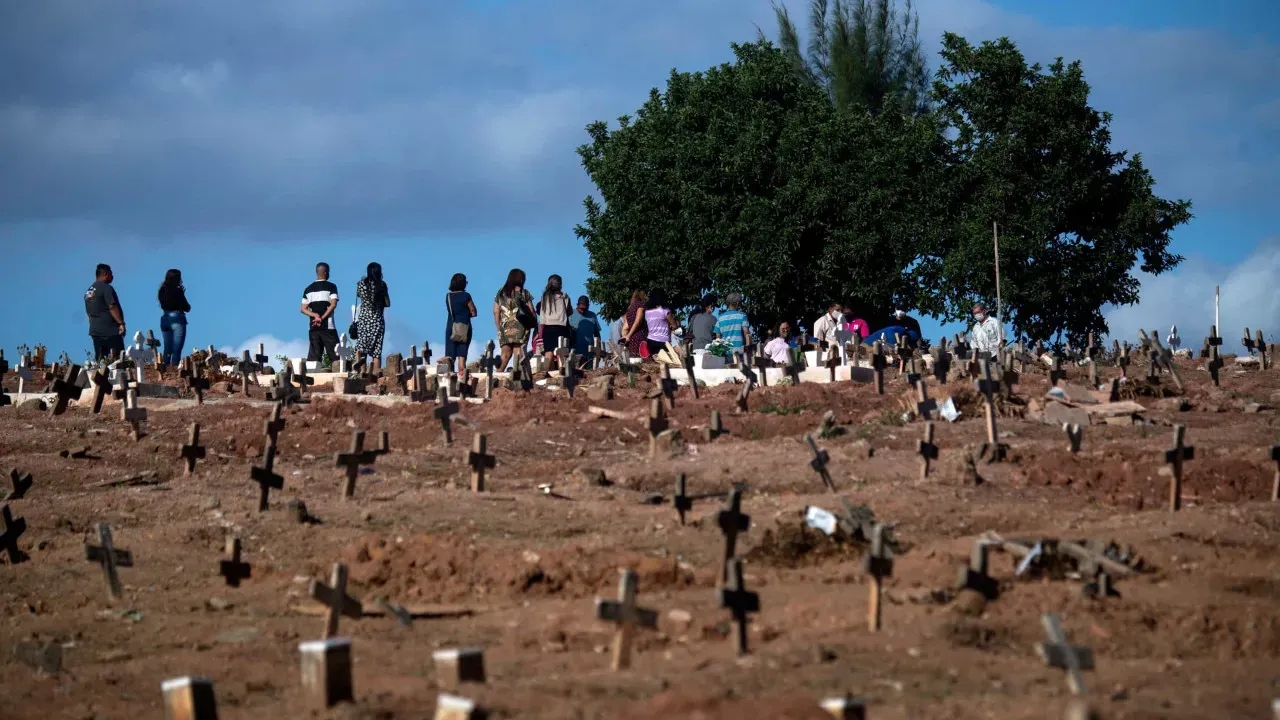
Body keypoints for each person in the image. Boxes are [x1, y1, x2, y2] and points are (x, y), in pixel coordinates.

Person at [493, 268, 536, 371]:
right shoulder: (524, 293)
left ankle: (498, 374)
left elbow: (495, 311)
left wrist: (498, 327)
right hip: (521, 325)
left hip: (505, 327)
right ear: (521, 279)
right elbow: (531, 311)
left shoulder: (500, 292)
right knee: (518, 352)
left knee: (505, 353)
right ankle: (518, 374)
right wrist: (534, 322)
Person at [85, 263, 126, 361]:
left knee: (101, 361)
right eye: (111, 273)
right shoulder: (106, 288)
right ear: (105, 274)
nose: (113, 276)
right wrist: (121, 323)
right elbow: (112, 306)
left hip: (95, 331)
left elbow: (89, 313)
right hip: (110, 331)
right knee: (118, 361)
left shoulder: (89, 292)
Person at [302, 262, 340, 365]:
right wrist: (321, 318)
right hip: (328, 327)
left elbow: (303, 309)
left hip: (314, 327)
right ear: (326, 272)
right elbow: (333, 305)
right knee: (336, 356)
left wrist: (314, 315)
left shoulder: (308, 289)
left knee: (313, 360)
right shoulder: (331, 287)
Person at [354, 262, 390, 361]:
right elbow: (387, 303)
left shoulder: (361, 284)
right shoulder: (382, 285)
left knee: (361, 348)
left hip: (364, 320)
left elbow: (358, 295)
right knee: (376, 352)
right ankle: (376, 370)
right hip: (377, 320)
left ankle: (359, 368)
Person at [156, 268, 190, 366]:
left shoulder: (162, 290)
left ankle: (165, 367)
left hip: (165, 318)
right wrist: (182, 294)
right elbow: (187, 307)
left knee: (167, 348)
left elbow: (164, 305)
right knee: (176, 349)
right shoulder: (177, 291)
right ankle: (174, 368)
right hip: (177, 318)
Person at [445, 273, 477, 373]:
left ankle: (449, 376)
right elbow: (474, 312)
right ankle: (462, 375)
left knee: (450, 356)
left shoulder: (448, 296)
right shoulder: (466, 296)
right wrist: (466, 314)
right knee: (461, 356)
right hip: (464, 328)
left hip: (451, 327)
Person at [538, 274, 573, 366]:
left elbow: (542, 313)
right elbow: (569, 311)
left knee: (548, 351)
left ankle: (546, 371)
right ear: (560, 284)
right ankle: (562, 370)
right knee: (562, 351)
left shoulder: (544, 296)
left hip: (547, 327)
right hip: (561, 327)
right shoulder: (564, 296)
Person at [568, 295, 601, 370]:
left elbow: (597, 334)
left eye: (585, 309)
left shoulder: (592, 316)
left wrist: (598, 349)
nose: (583, 311)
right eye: (581, 309)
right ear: (577, 305)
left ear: (588, 306)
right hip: (575, 352)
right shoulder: (571, 314)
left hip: (589, 353)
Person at [642, 289, 678, 357]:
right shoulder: (665, 311)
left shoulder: (647, 312)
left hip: (650, 341)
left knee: (655, 361)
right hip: (663, 341)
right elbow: (675, 326)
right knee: (666, 361)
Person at [619, 290, 648, 357]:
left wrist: (625, 338)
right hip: (640, 337)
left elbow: (625, 328)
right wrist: (628, 336)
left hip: (631, 341)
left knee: (633, 359)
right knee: (642, 359)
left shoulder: (630, 308)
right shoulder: (641, 305)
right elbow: (637, 321)